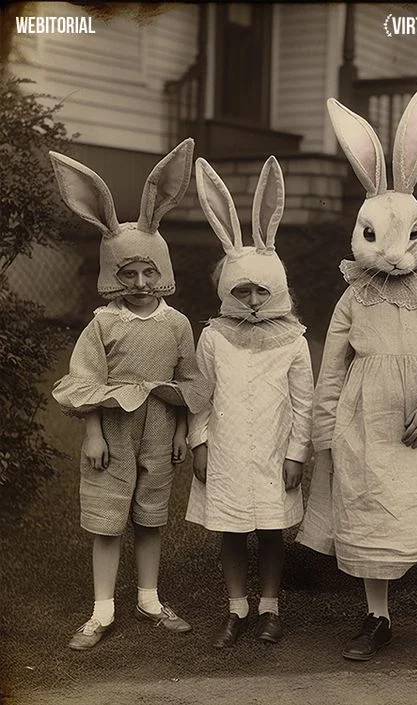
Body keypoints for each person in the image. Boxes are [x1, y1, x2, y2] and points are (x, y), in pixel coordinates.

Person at [297, 87, 417, 668]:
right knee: (372, 509)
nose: (395, 256)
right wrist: (325, 434)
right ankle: (377, 617)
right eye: (376, 238)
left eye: (408, 238)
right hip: (369, 426)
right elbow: (332, 368)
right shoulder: (352, 298)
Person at [50, 140, 207, 650]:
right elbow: (86, 381)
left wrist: (181, 430)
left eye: (148, 272)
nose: (140, 283)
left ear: (162, 272)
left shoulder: (177, 324)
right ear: (113, 276)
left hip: (159, 429)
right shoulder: (104, 324)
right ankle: (102, 611)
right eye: (128, 273)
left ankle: (149, 599)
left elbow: (188, 381)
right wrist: (93, 433)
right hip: (114, 429)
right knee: (107, 518)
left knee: (151, 516)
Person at [186, 156, 313, 648]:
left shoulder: (293, 340)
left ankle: (270, 609)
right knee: (232, 529)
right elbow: (200, 395)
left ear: (278, 287)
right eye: (243, 291)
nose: (254, 300)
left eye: (263, 290)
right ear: (226, 290)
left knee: (272, 530)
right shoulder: (214, 337)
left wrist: (296, 454)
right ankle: (236, 608)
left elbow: (303, 404)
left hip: (275, 452)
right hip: (228, 450)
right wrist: (199, 443)